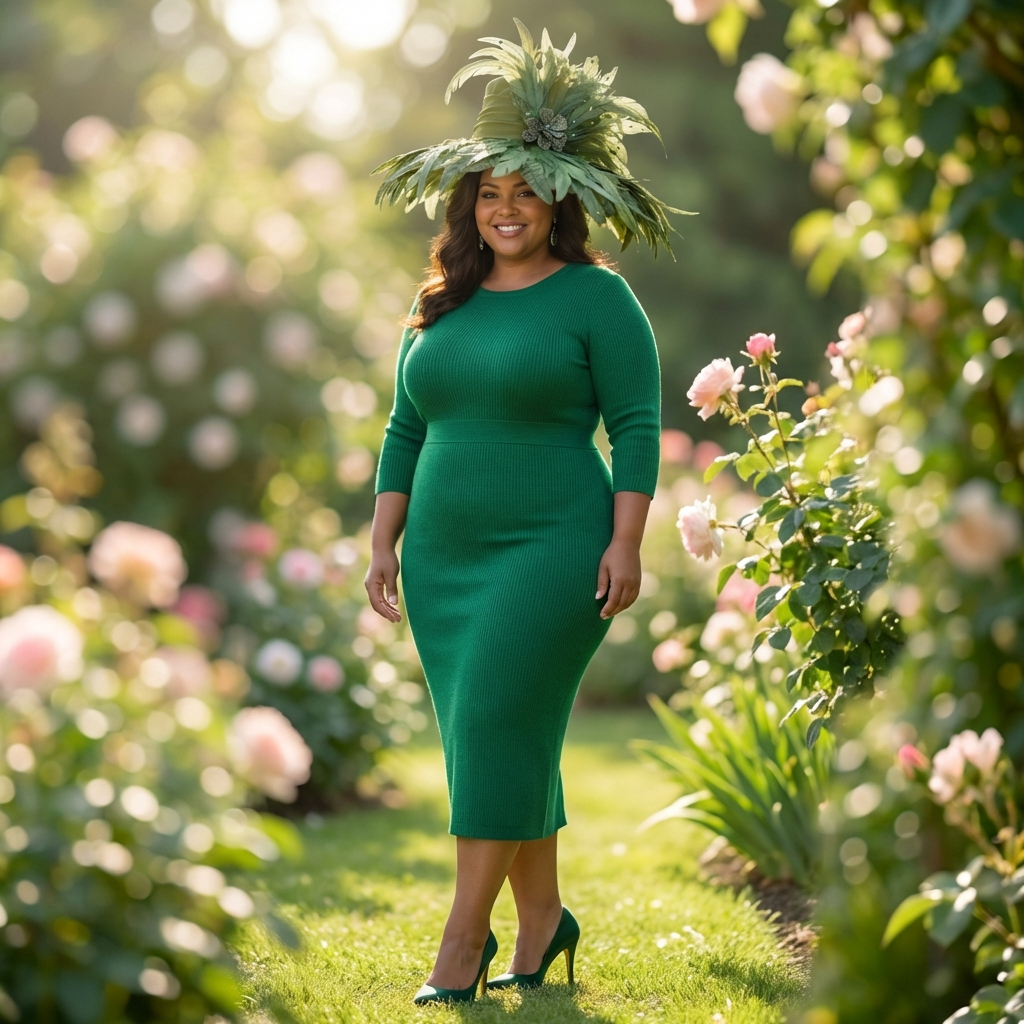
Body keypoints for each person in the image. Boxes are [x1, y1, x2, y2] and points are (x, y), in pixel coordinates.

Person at [364, 21, 679, 1005]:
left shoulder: (598, 299)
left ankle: (462, 943)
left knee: (497, 717)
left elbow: (634, 426)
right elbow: (405, 424)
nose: (505, 210)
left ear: (560, 201)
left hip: (554, 546)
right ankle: (543, 922)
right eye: (488, 194)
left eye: (525, 191)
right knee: (497, 735)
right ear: (469, 206)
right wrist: (383, 535)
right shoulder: (441, 304)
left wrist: (627, 541)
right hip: (445, 558)